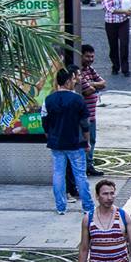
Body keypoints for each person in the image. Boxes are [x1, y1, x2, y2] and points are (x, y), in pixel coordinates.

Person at [42, 68, 94, 214]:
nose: (74, 81)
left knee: (58, 173)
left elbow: (45, 122)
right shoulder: (77, 99)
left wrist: (50, 137)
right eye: (72, 79)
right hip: (75, 143)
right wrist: (87, 141)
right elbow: (85, 123)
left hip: (56, 143)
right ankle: (88, 207)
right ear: (67, 81)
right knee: (80, 175)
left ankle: (61, 207)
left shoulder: (48, 100)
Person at [78, 45, 106, 177]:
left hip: (92, 115)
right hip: (83, 116)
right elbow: (87, 90)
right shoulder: (78, 72)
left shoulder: (89, 69)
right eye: (87, 56)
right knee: (84, 142)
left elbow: (103, 83)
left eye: (92, 57)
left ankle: (89, 165)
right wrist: (94, 85)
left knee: (92, 141)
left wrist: (92, 84)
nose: (90, 59)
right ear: (80, 56)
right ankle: (83, 166)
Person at [100, 0, 131, 76]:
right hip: (111, 23)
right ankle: (115, 66)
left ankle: (125, 69)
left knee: (124, 45)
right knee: (113, 46)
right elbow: (109, 9)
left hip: (123, 22)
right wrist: (125, 11)